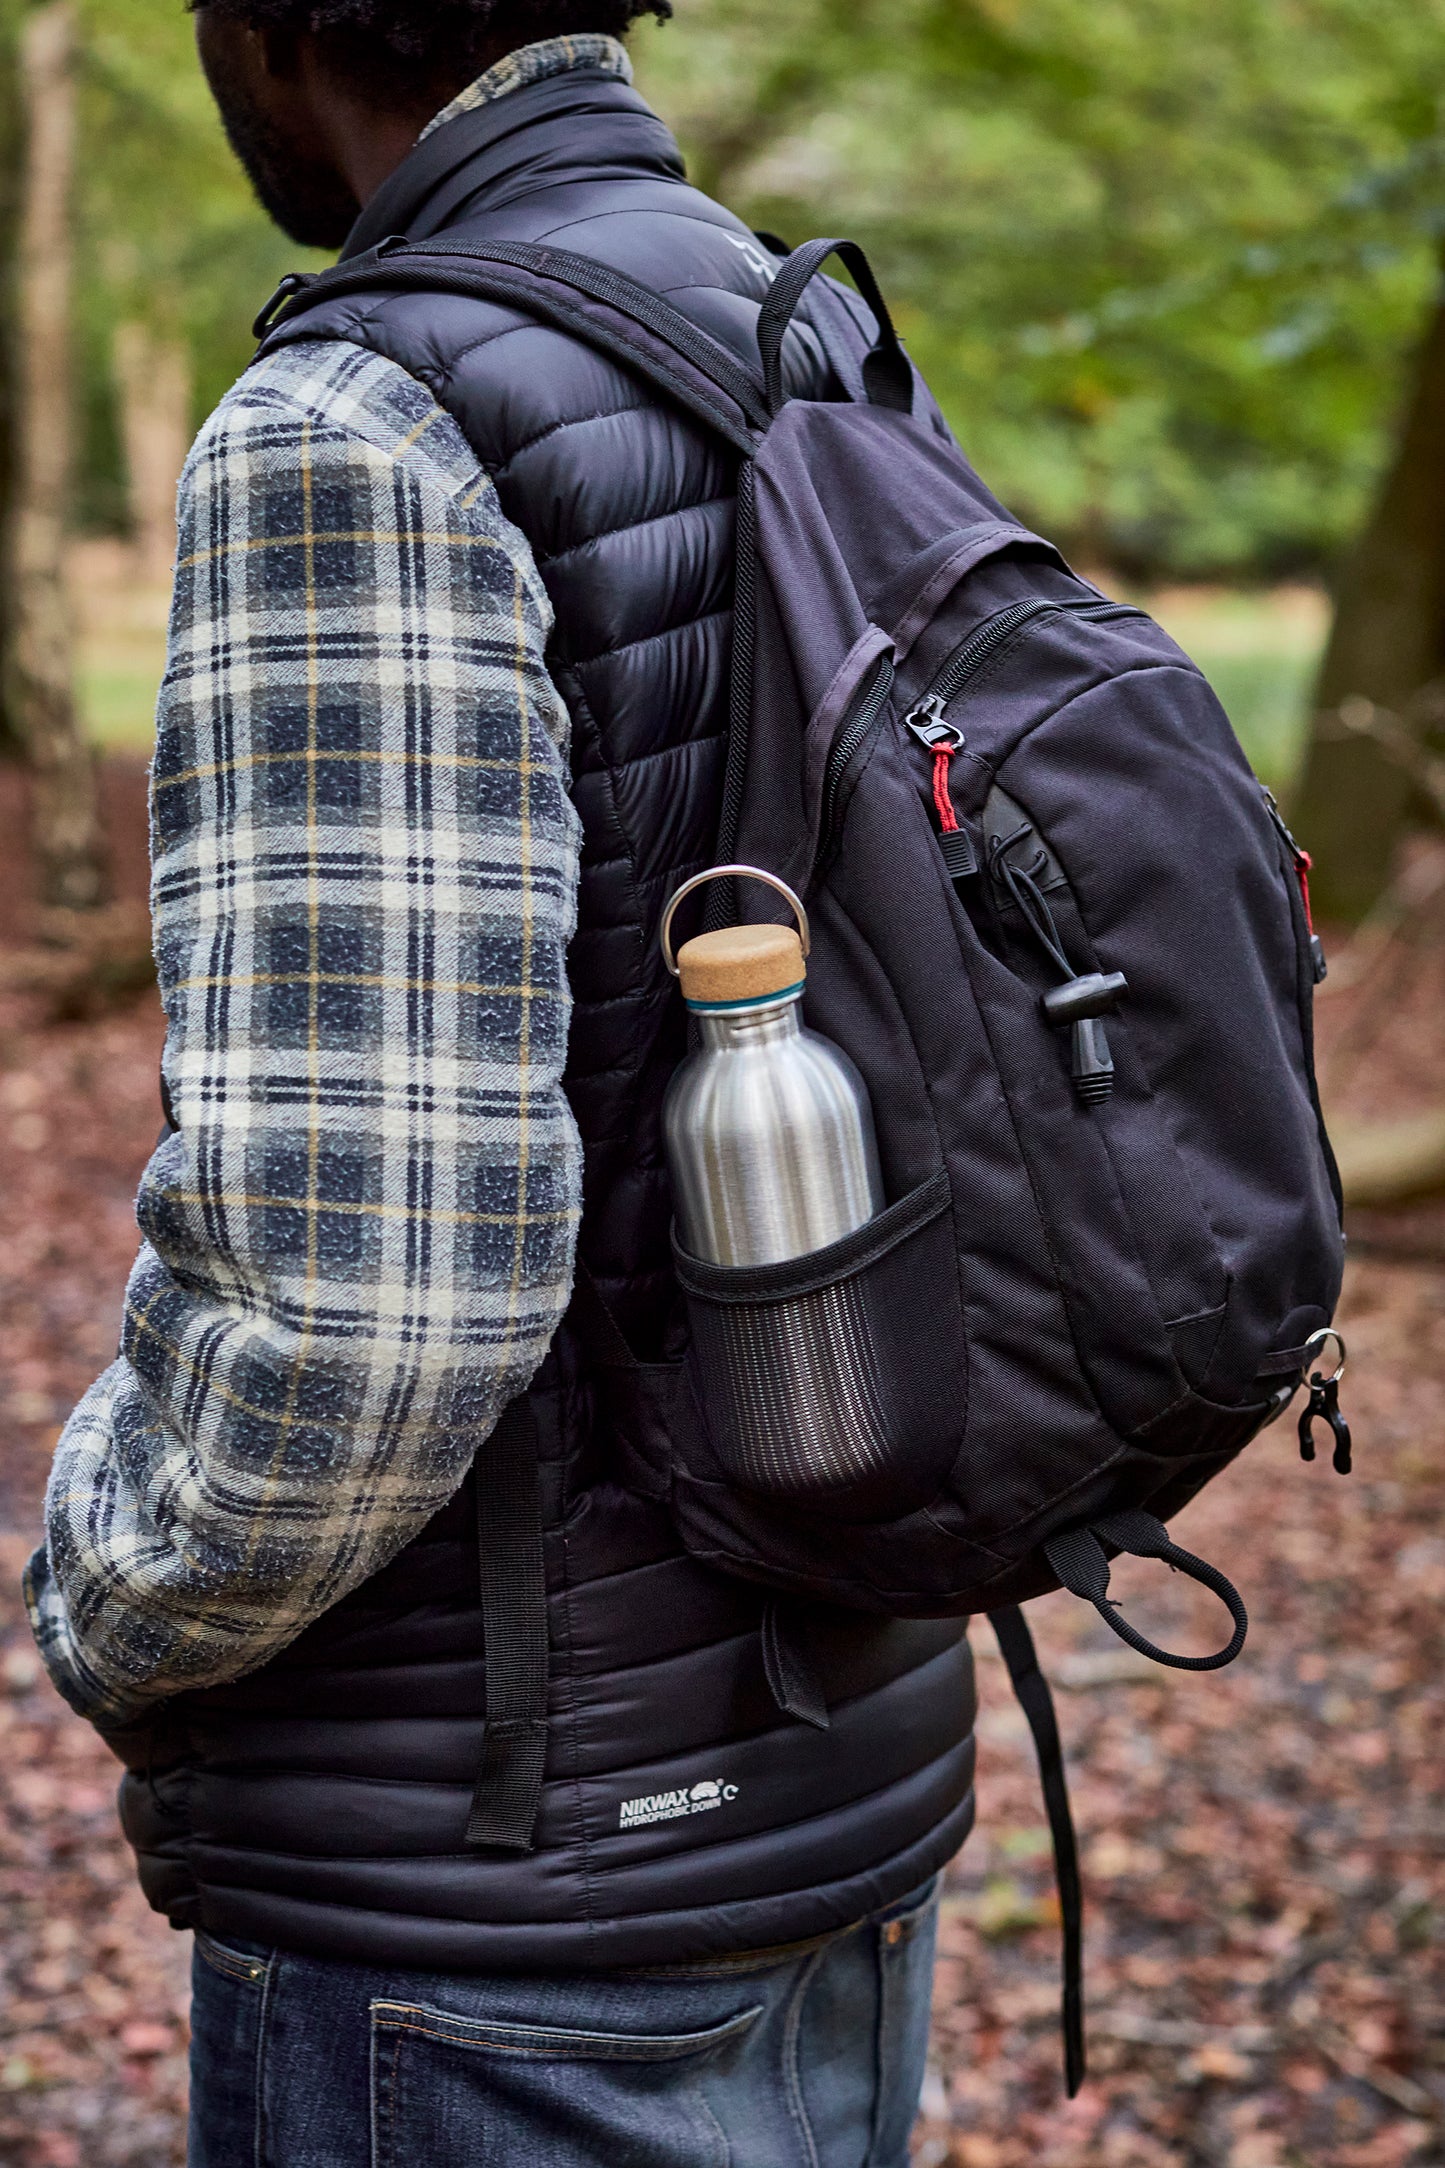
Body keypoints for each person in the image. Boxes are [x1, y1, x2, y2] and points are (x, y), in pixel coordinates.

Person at [24, 5, 977, 2161]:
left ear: (259, 34)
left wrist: (107, 1591)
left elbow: (361, 1315)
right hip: (840, 1787)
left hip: (500, 1921)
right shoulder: (790, 323)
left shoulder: (360, 424)